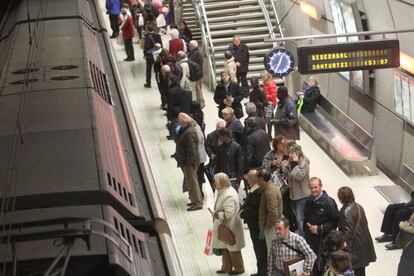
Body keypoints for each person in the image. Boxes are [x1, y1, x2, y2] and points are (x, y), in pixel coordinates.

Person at [337, 186, 376, 276]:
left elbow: (348, 233)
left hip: (355, 248)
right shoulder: (358, 206)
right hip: (363, 244)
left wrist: (342, 246)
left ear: (341, 198)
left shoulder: (345, 211)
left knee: (355, 271)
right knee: (361, 271)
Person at [212, 173, 246, 275]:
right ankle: (226, 267)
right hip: (225, 226)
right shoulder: (224, 191)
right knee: (225, 247)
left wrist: (217, 214)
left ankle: (239, 268)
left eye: (215, 181)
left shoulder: (229, 195)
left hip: (230, 227)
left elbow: (228, 214)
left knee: (233, 248)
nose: (214, 183)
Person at [240, 169, 267, 276]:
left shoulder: (258, 192)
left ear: (254, 179)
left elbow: (253, 209)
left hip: (257, 226)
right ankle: (260, 271)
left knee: (261, 251)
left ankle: (263, 273)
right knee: (258, 250)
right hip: (254, 226)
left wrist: (242, 213)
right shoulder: (254, 190)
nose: (247, 181)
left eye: (249, 179)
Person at [303, 177, 339, 255]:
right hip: (311, 241)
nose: (313, 190)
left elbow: (335, 222)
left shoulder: (329, 203)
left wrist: (319, 228)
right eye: (311, 188)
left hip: (323, 242)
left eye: (315, 187)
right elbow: (306, 218)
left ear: (321, 186)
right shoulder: (308, 200)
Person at [175, 113, 203, 211]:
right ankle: (194, 200)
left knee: (192, 182)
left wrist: (190, 164)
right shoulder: (185, 130)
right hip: (186, 162)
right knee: (190, 182)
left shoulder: (189, 132)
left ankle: (198, 203)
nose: (178, 122)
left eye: (179, 121)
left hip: (189, 163)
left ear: (183, 122)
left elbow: (192, 151)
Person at [256, 168, 283, 255]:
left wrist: (266, 226)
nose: (255, 180)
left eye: (256, 178)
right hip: (272, 226)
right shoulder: (268, 188)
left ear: (261, 179)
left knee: (272, 253)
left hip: (272, 228)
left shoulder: (270, 192)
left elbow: (273, 213)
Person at [286, 144, 310, 237]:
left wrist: (294, 164)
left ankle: (303, 240)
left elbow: (299, 176)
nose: (291, 155)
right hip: (293, 194)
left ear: (298, 152)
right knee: (298, 218)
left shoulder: (305, 163)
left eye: (293, 153)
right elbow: (288, 173)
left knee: (300, 220)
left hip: (302, 195)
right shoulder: (290, 161)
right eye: (290, 153)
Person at [166, 75, 192, 140]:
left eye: (169, 81)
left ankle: (173, 136)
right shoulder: (182, 90)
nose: (168, 82)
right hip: (183, 111)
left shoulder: (171, 91)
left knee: (174, 126)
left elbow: (170, 106)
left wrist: (169, 118)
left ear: (171, 82)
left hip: (175, 113)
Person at [205, 119, 226, 191]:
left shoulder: (228, 135)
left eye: (222, 129)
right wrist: (211, 154)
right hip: (215, 162)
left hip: (225, 162)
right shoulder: (210, 136)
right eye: (218, 128)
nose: (219, 131)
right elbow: (207, 146)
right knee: (214, 178)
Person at [188, 40, 205, 108]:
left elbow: (192, 63)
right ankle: (202, 102)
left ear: (191, 46)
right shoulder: (197, 52)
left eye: (189, 46)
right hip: (199, 73)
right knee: (199, 88)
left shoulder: (195, 53)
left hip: (196, 74)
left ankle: (200, 103)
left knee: (198, 89)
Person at [261, 70, 277, 137]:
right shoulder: (265, 83)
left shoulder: (270, 83)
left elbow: (274, 95)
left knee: (268, 120)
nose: (262, 78)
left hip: (270, 104)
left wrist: (264, 96)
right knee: (269, 119)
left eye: (263, 76)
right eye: (261, 76)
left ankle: (269, 135)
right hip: (268, 103)